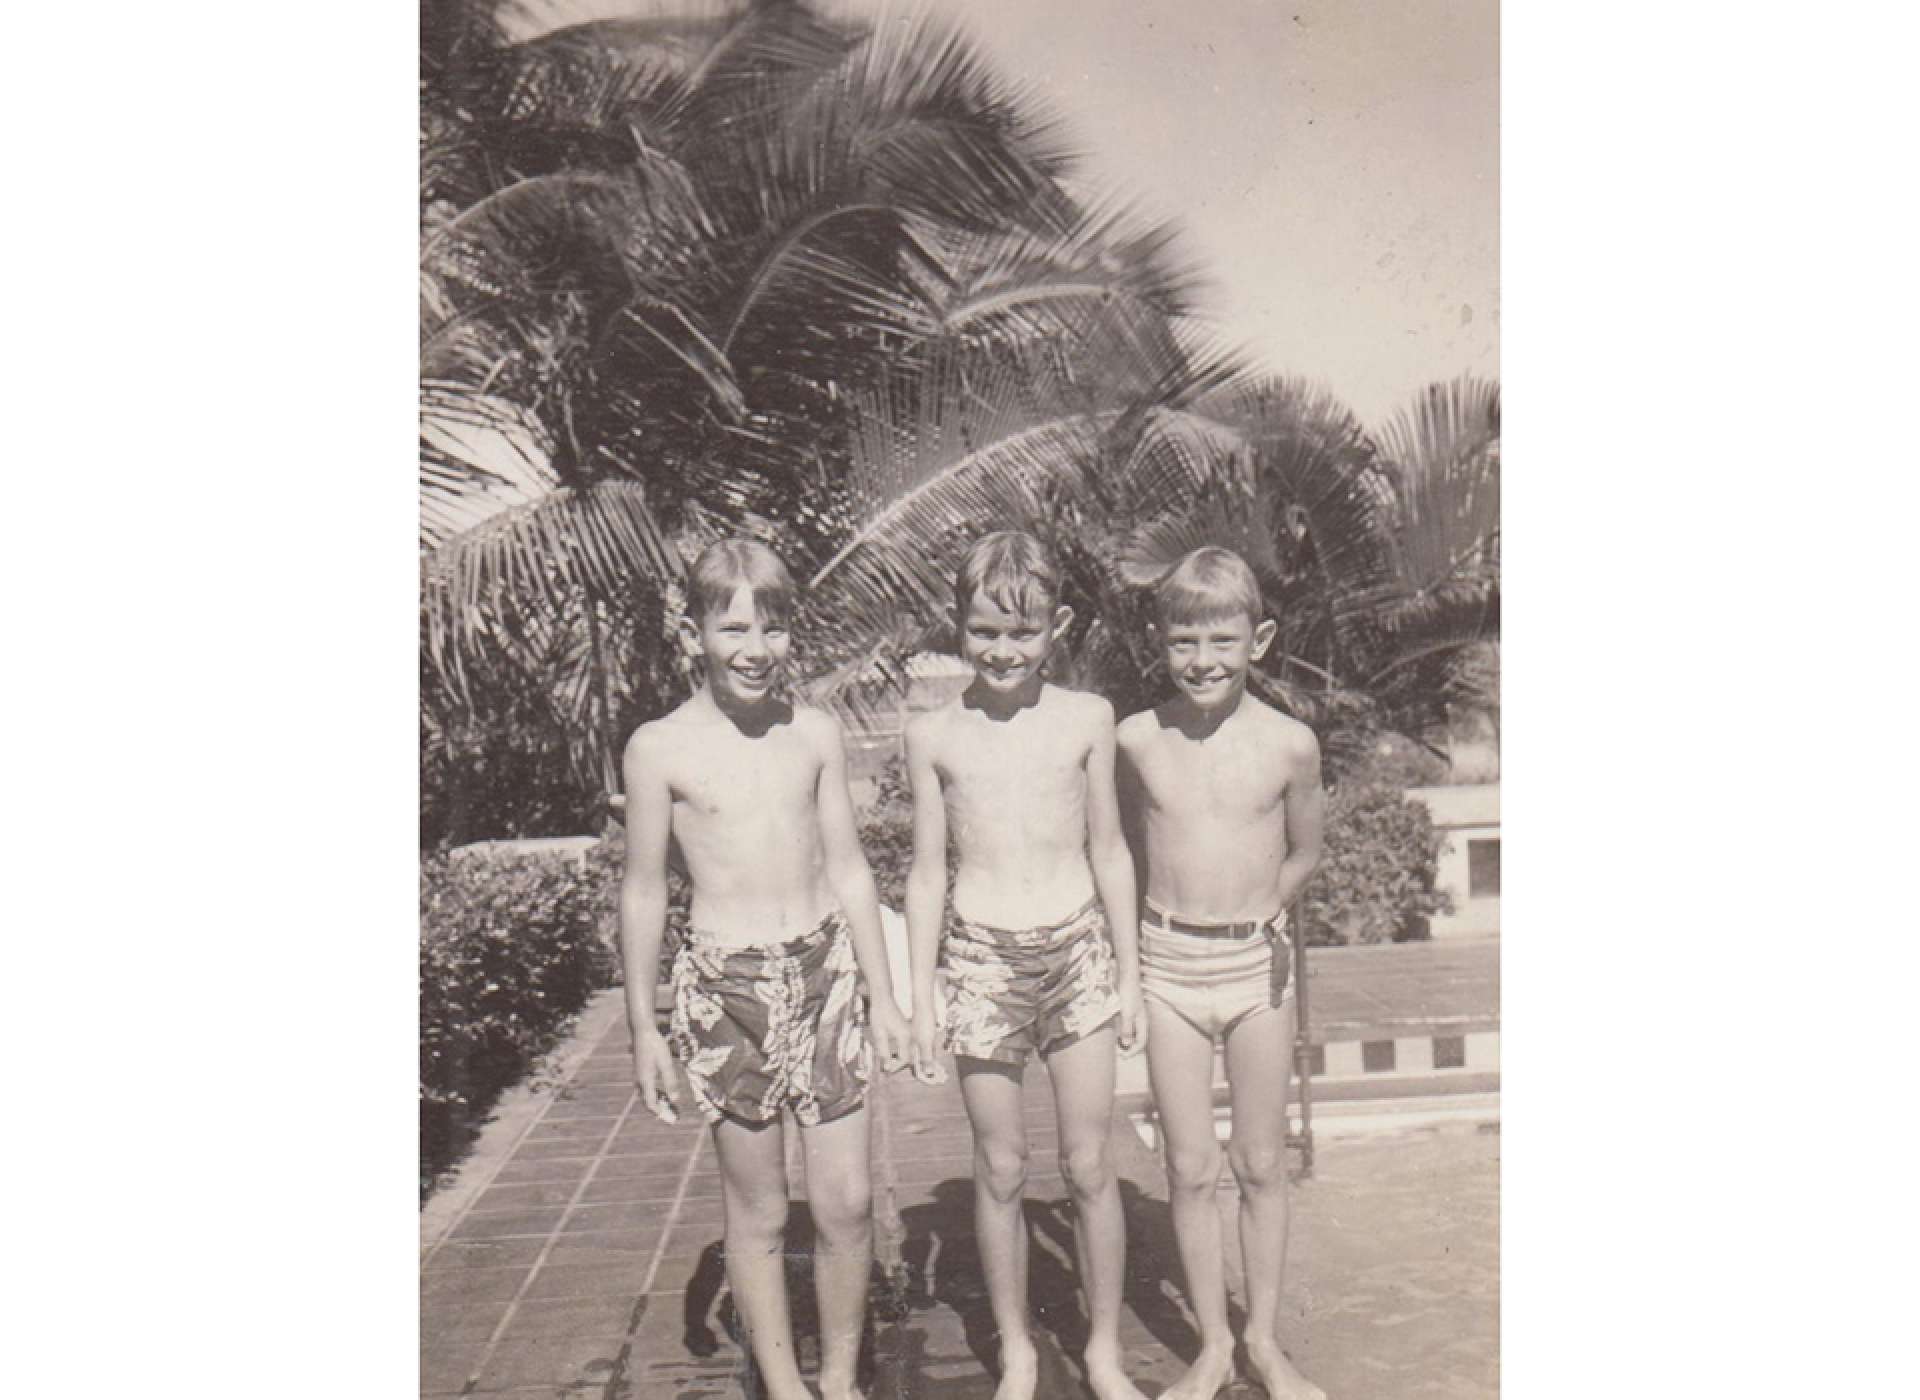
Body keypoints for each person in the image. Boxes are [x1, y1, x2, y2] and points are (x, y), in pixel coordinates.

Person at [619, 538, 911, 1400]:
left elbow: (851, 867)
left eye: (774, 628)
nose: (755, 649)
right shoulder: (657, 749)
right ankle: (785, 1387)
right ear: (693, 632)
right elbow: (643, 892)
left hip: (824, 976)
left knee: (848, 1201)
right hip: (724, 989)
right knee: (759, 1212)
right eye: (734, 627)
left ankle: (843, 1378)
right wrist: (646, 1023)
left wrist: (884, 994)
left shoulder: (812, 734)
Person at [903, 530, 1149, 1400]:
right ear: (956, 628)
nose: (1003, 651)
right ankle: (1015, 1347)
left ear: (1059, 627)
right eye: (984, 632)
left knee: (1089, 1165)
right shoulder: (933, 733)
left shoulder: (1087, 719)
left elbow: (1112, 851)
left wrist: (1128, 975)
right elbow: (928, 869)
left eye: (1023, 632)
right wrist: (922, 993)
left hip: (1077, 948)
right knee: (1001, 1167)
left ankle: (1106, 1350)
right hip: (979, 959)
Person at [1115, 546, 1326, 1400]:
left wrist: (1265, 909)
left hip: (1254, 970)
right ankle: (1210, 1346)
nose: (1203, 662)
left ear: (1260, 640)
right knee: (1190, 1167)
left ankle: (1265, 1341)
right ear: (1161, 644)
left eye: (1223, 641)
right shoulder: (1137, 739)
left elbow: (1306, 851)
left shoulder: (1290, 744)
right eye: (1184, 642)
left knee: (1263, 1160)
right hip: (1167, 964)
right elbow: (1126, 851)